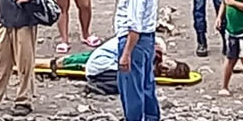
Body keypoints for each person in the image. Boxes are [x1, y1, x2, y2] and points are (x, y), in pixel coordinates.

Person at [34, 37, 190, 95]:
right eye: (169, 63)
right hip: (105, 61)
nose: (165, 64)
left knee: (74, 61)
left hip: (107, 58)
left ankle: (39, 62)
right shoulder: (155, 50)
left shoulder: (153, 55)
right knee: (130, 82)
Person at [113, 0, 160, 121]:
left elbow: (134, 25)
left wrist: (126, 53)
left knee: (130, 85)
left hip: (134, 40)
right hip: (147, 39)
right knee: (147, 82)